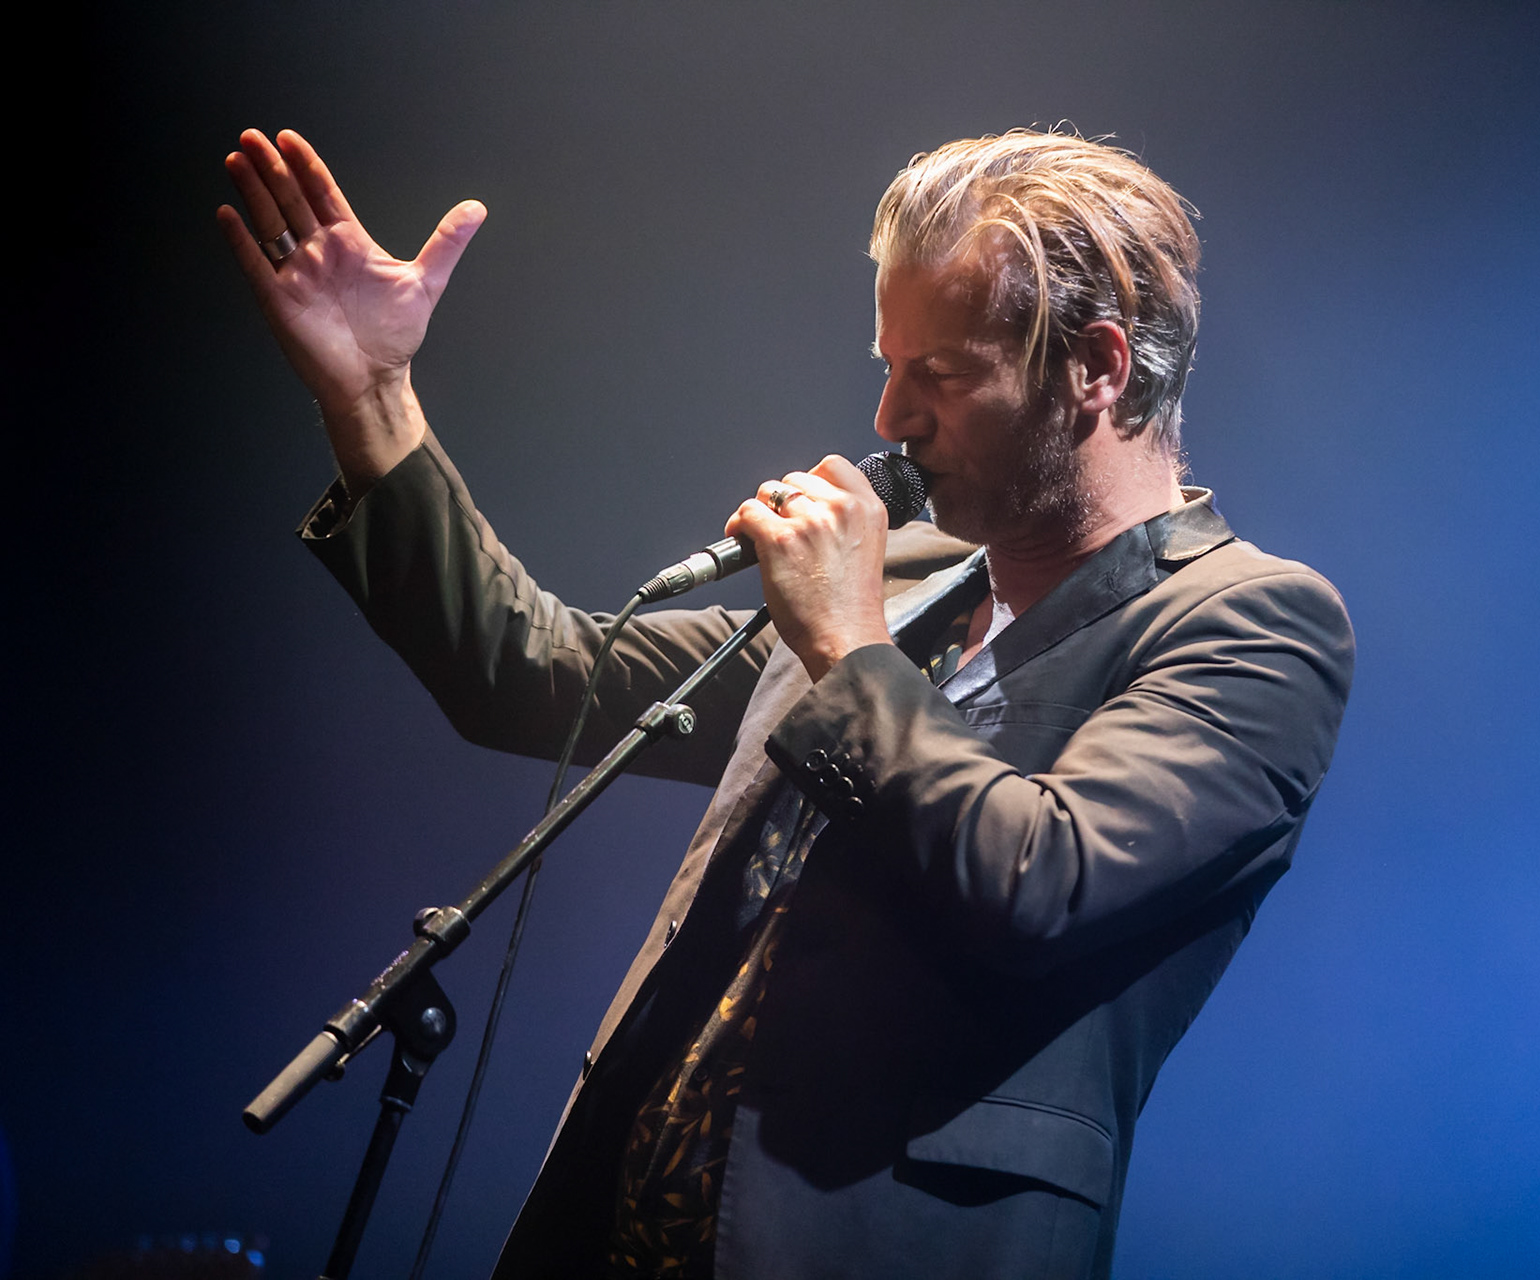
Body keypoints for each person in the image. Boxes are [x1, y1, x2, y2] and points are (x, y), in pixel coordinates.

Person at [221, 125, 1355, 1280]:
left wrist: (846, 638)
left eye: (941, 374)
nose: (888, 419)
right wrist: (374, 400)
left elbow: (1041, 882)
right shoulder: (901, 584)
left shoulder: (1249, 625)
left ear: (1097, 368)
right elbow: (534, 675)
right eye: (886, 363)